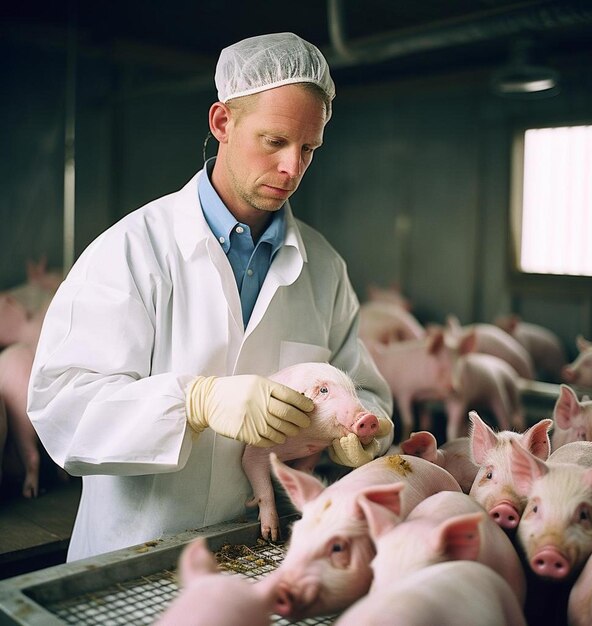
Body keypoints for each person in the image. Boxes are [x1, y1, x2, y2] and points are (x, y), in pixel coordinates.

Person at [27, 32, 393, 561]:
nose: (292, 168)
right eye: (274, 142)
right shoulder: (132, 250)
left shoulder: (325, 268)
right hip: (136, 553)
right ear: (222, 122)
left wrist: (352, 435)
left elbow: (368, 398)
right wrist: (194, 402)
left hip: (265, 556)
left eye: (308, 148)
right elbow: (63, 406)